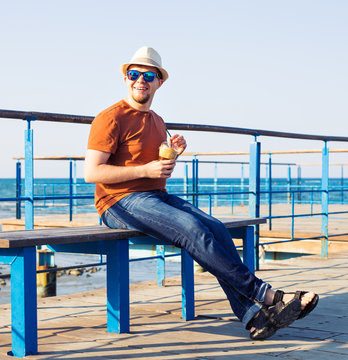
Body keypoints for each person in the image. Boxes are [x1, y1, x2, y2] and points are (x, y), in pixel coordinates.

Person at [84, 46, 319, 340]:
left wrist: (174, 155)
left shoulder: (157, 121)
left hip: (154, 196)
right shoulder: (110, 118)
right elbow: (92, 173)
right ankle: (270, 295)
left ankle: (254, 317)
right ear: (125, 78)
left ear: (159, 82)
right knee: (192, 229)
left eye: (148, 75)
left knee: (217, 228)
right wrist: (146, 171)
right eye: (134, 74)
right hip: (117, 203)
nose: (140, 80)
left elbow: (157, 168)